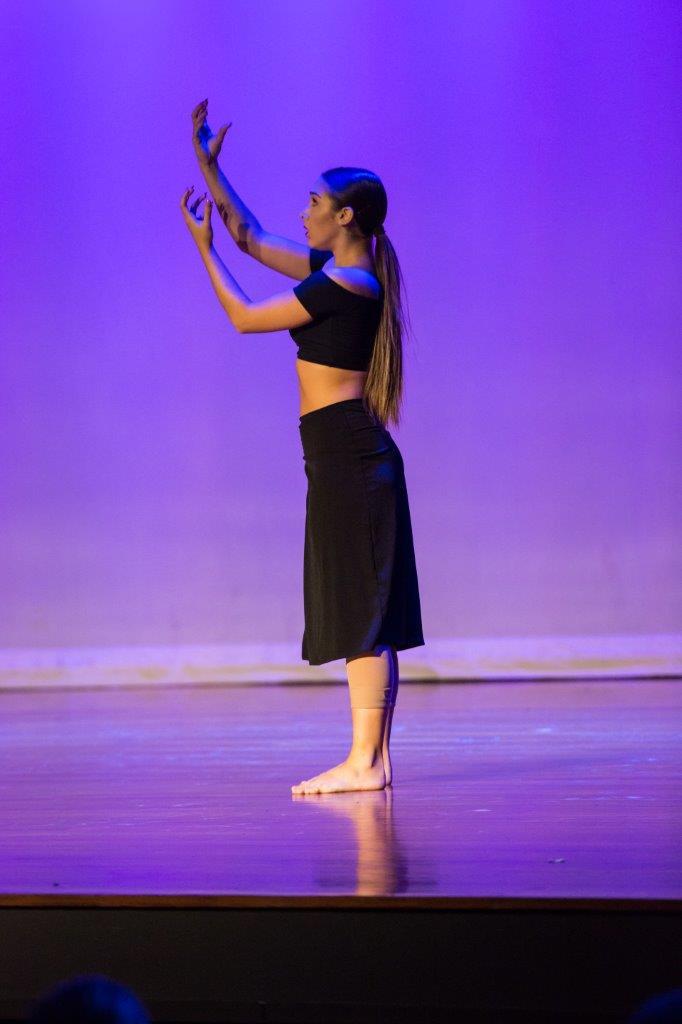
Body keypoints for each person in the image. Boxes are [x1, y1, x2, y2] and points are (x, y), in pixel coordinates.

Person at [180, 99, 425, 795]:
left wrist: (202, 249)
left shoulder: (345, 284)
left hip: (350, 456)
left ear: (344, 215)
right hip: (340, 455)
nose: (304, 211)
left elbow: (243, 316)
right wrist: (210, 168)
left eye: (314, 202)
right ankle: (371, 760)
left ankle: (365, 762)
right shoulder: (340, 272)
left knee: (363, 610)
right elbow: (253, 238)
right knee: (362, 605)